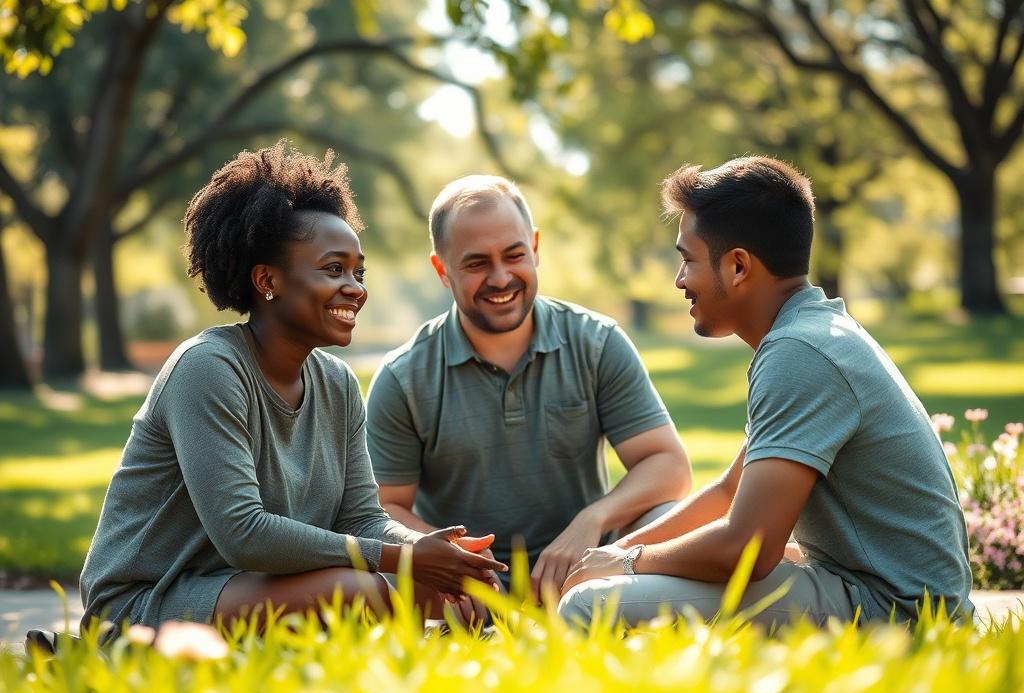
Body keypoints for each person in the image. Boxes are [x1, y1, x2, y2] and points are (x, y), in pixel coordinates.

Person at [80, 143, 506, 636]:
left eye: (358, 272)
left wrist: (434, 551)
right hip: (146, 599)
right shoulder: (208, 369)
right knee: (359, 593)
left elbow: (362, 519)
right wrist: (402, 557)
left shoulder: (338, 384)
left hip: (251, 584)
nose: (355, 288)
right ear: (268, 280)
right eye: (333, 269)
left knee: (454, 588)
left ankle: (415, 643)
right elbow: (244, 533)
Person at [558, 156, 973, 627]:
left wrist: (627, 564)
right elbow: (730, 490)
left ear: (737, 266)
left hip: (899, 612)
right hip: (869, 586)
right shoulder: (812, 331)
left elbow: (747, 548)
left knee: (590, 605)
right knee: (631, 555)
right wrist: (614, 553)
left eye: (687, 259)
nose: (679, 280)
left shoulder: (800, 353)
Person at [365, 175, 690, 603]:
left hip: (588, 571)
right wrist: (453, 557)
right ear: (442, 270)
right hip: (461, 584)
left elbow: (668, 465)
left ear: (534, 248)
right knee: (378, 568)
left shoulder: (597, 343)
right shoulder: (403, 376)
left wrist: (592, 520)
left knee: (670, 518)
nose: (501, 278)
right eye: (476, 263)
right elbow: (383, 508)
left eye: (514, 255)